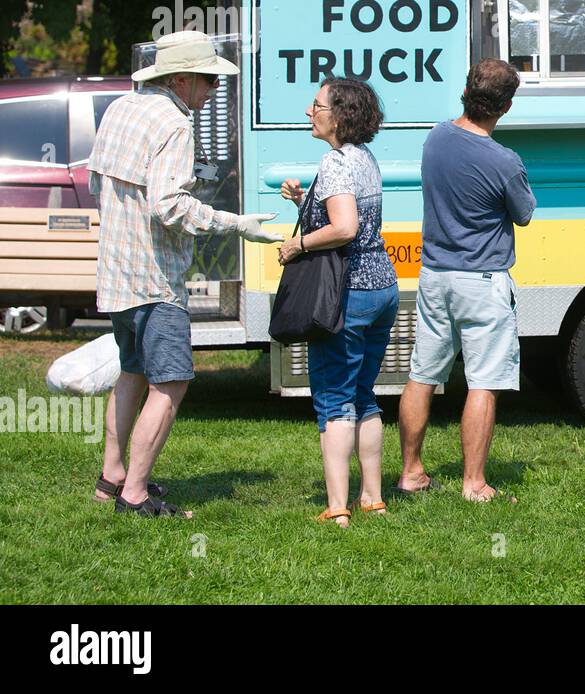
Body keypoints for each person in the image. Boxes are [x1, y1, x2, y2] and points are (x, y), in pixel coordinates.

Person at [88, 30, 282, 518]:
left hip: (116, 271)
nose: (214, 91)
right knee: (171, 382)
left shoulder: (120, 108)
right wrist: (237, 225)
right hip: (156, 279)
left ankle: (111, 477)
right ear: (181, 79)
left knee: (132, 371)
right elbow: (169, 206)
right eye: (209, 82)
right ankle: (134, 494)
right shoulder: (175, 124)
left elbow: (96, 182)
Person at [398, 59, 536, 503]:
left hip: (435, 275)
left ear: (465, 92)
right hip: (482, 279)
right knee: (483, 382)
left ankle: (411, 472)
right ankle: (474, 483)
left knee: (422, 375)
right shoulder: (505, 161)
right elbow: (525, 214)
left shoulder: (436, 137)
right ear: (507, 106)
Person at [278, 78, 397, 527]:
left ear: (339, 114)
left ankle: (337, 507)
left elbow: (344, 229)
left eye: (316, 105)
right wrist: (302, 200)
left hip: (348, 294)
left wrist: (298, 245)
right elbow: (348, 218)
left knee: (333, 399)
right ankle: (373, 498)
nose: (309, 112)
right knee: (364, 395)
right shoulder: (364, 158)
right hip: (382, 285)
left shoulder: (333, 161)